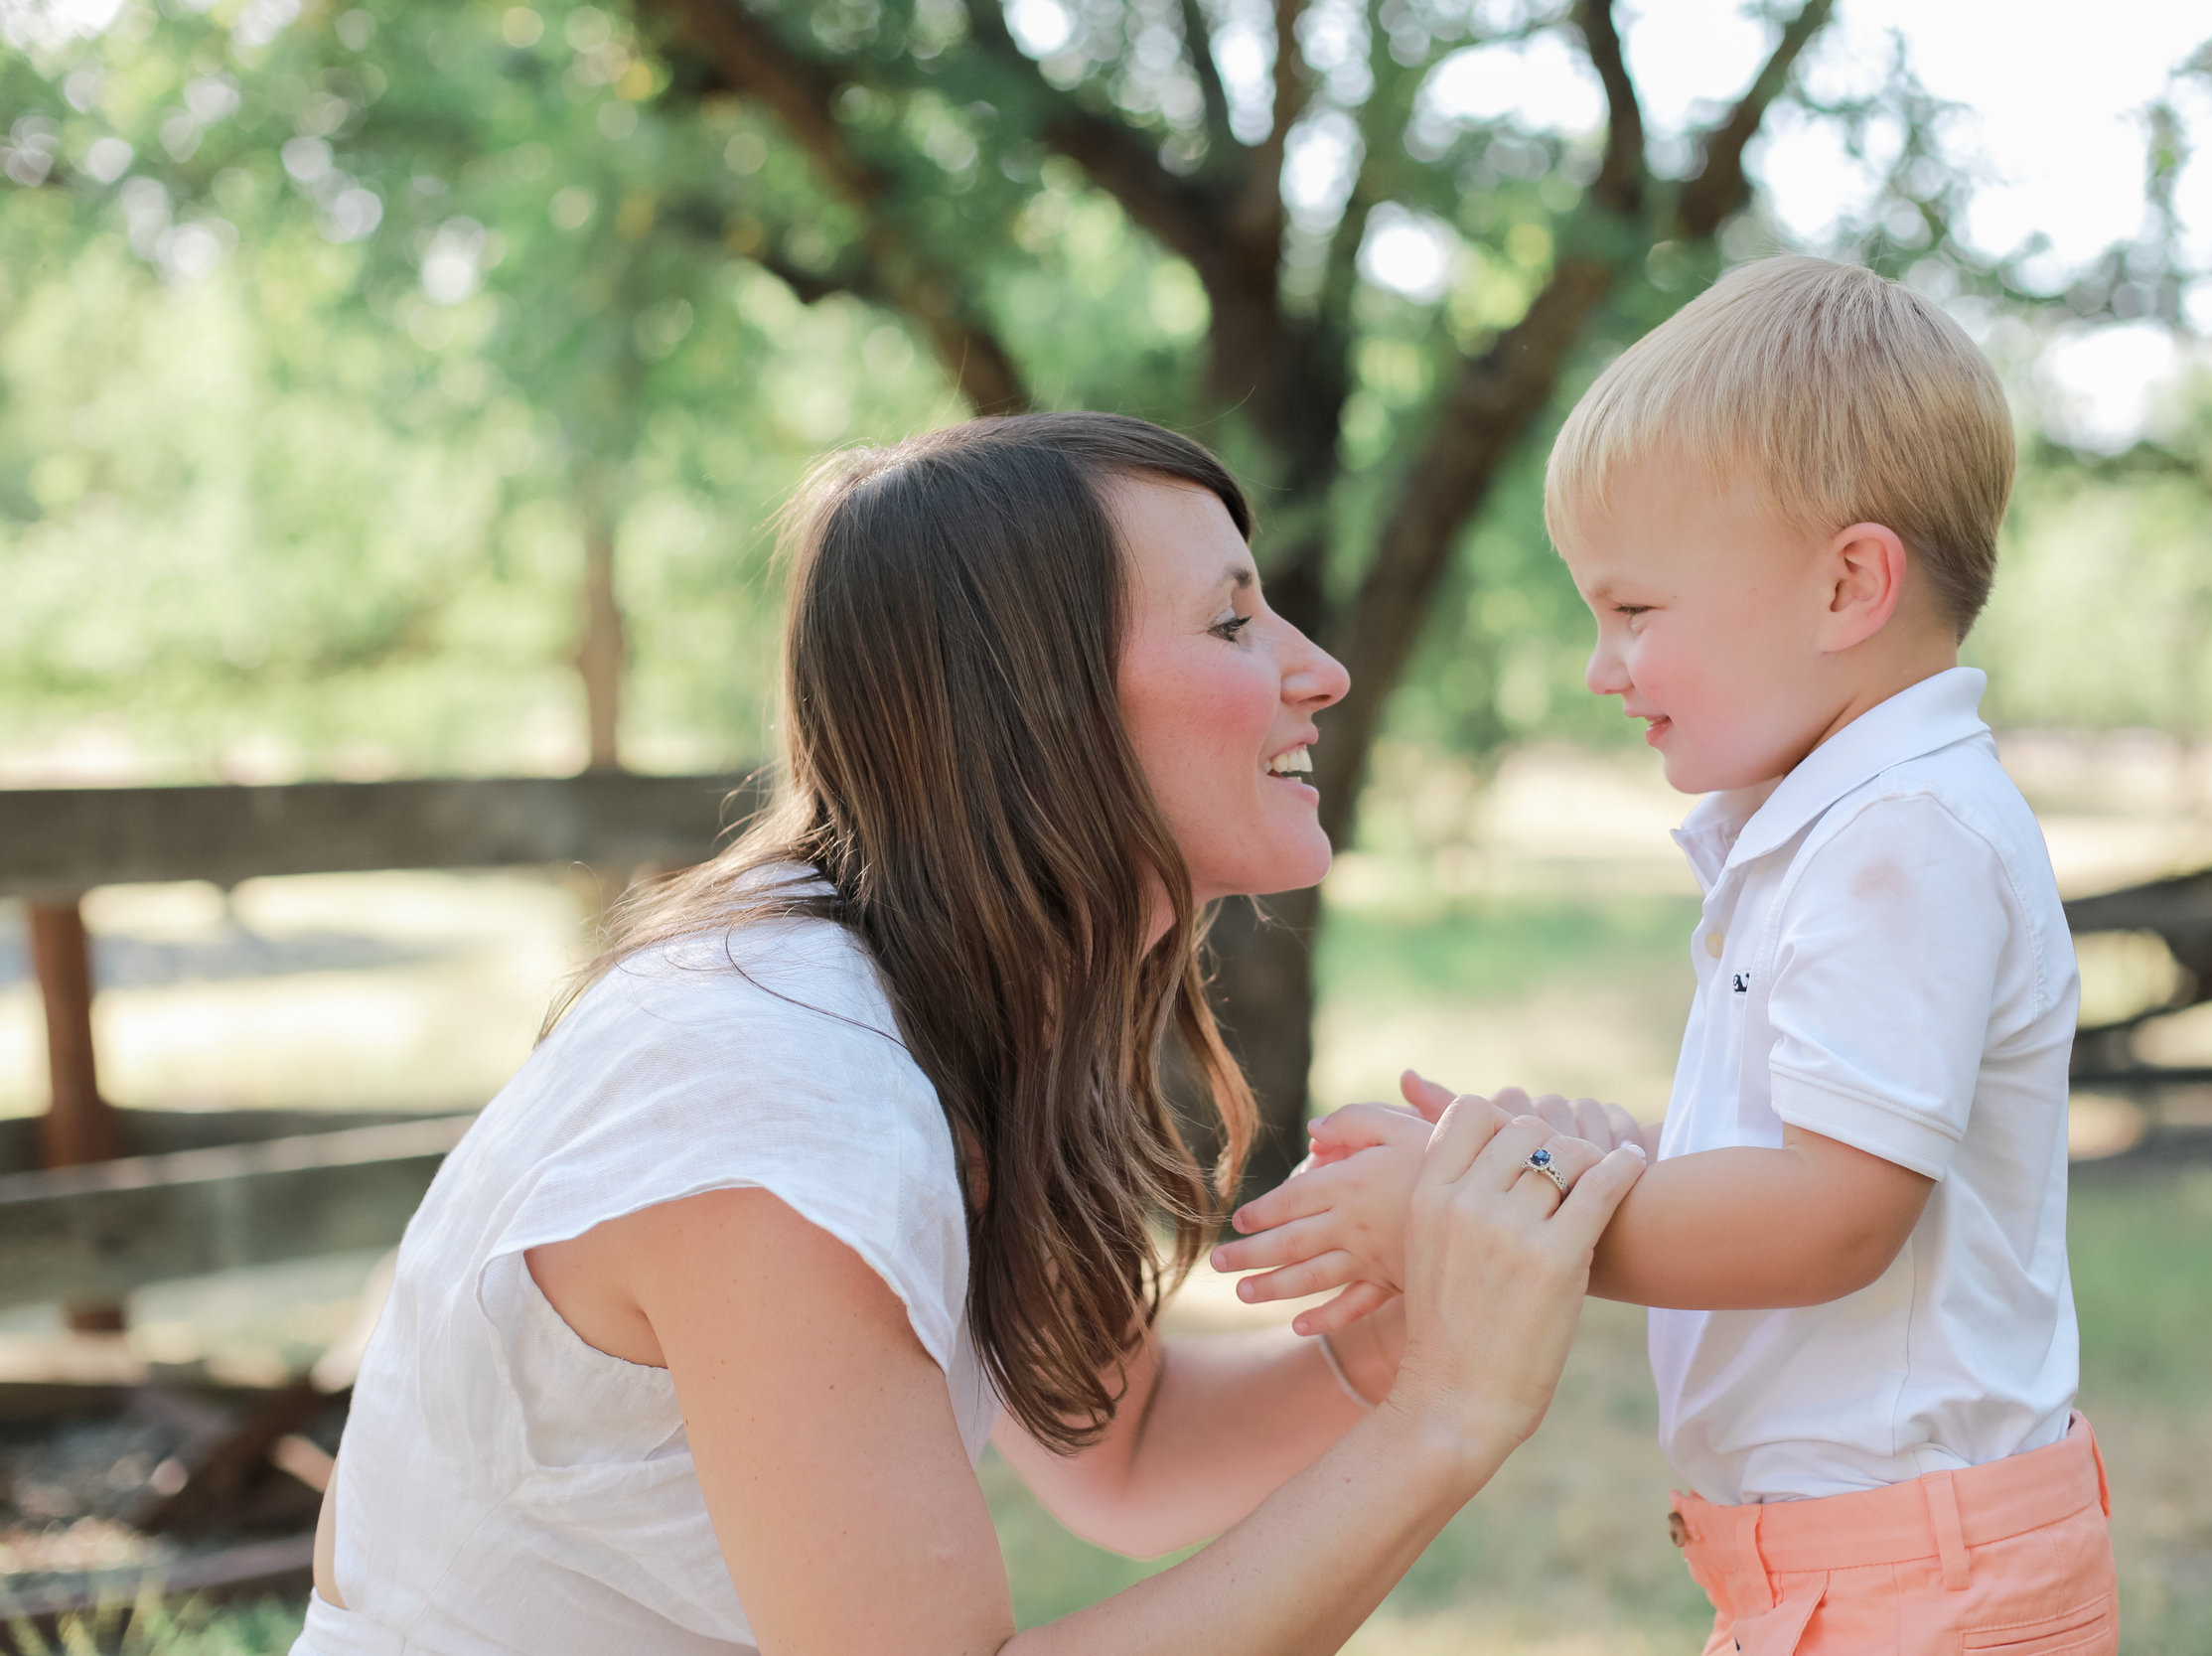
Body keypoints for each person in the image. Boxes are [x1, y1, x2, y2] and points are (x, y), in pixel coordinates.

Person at [292, 413, 1648, 1656]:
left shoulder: (953, 1005)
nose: (1323, 669)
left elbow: (1135, 1455)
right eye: (1233, 624)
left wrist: (1433, 1314)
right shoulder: (778, 1095)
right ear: (1035, 709)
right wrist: (1447, 1421)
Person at [1213, 258, 2119, 1655]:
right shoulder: (1832, 830)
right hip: (1844, 1563)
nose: (1600, 666)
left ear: (1848, 585)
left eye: (1634, 612)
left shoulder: (1900, 839)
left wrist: (1503, 1226)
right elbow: (1797, 1152)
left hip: (1917, 1582)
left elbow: (1832, 1218)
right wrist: (1572, 1165)